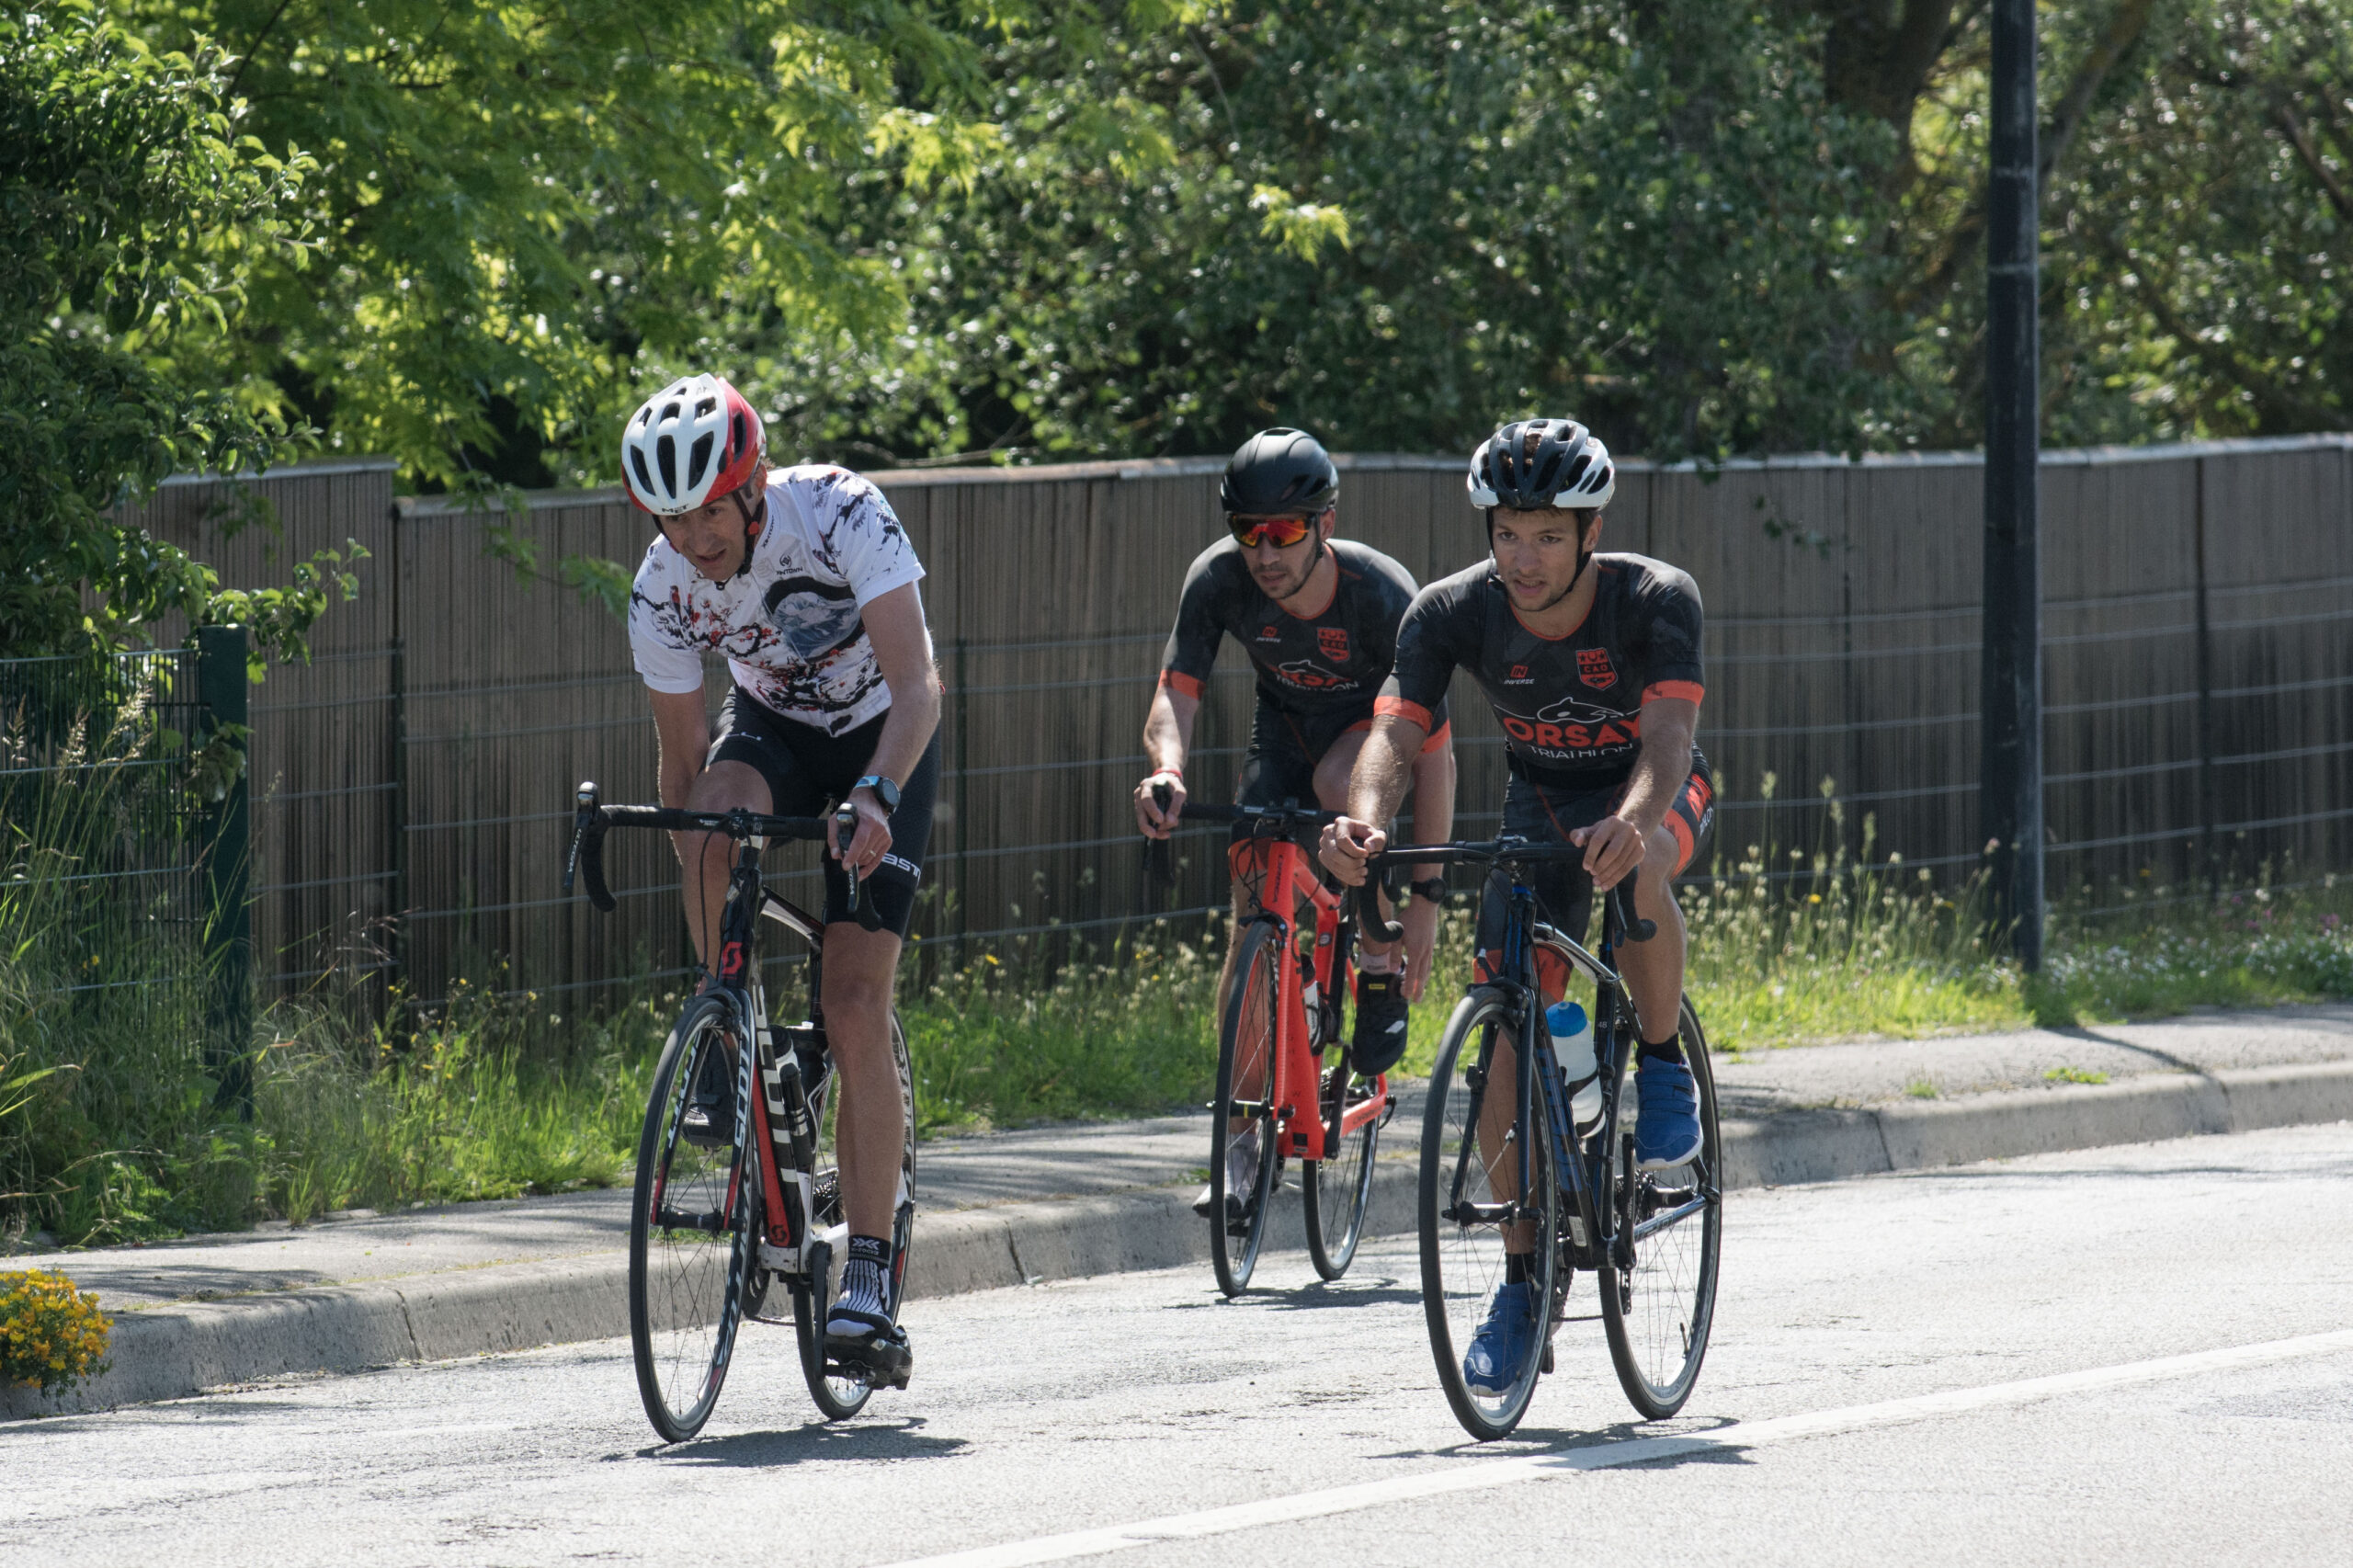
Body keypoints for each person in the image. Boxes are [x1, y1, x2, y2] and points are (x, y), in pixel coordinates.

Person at [1319, 416, 1715, 1392]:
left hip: (1649, 789)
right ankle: (1525, 1281)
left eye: (1546, 536)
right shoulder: (1451, 610)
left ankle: (1663, 1063)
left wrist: (1631, 821)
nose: (1523, 558)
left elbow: (1668, 739)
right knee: (1502, 1019)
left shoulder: (1654, 598)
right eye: (1506, 534)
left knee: (1641, 865)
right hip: (1537, 803)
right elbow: (1392, 735)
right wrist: (1363, 821)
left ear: (1589, 531)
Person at [620, 372, 938, 1385]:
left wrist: (878, 795)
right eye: (672, 519)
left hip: (884, 733)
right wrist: (709, 909)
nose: (694, 538)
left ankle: (870, 1273)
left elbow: (919, 684)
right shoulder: (661, 589)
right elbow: (681, 769)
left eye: (710, 511)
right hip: (775, 730)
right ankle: (731, 1035)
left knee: (851, 1000)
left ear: (754, 486)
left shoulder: (841, 511)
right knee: (710, 812)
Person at [1132, 426, 1456, 1220]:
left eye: (1282, 532)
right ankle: (1243, 1139)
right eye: (1248, 532)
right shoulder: (1219, 578)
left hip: (1374, 735)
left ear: (1325, 524)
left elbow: (1437, 757)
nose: (1264, 552)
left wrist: (1425, 897)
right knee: (1251, 913)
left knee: (1339, 782)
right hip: (1280, 735)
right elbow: (1176, 693)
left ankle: (1372, 952)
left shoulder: (1383, 595)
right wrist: (1168, 770)